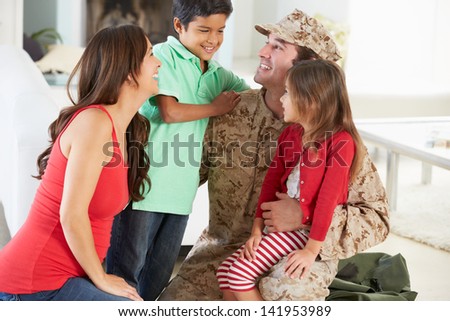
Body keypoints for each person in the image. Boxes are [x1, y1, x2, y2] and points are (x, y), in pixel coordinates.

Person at [158, 9, 389, 301]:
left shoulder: (332, 135)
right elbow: (181, 175)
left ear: (309, 67)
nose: (262, 51)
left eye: (278, 46)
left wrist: (304, 215)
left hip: (296, 258)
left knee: (284, 296)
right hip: (222, 253)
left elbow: (376, 218)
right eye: (267, 42)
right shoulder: (228, 110)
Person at [0, 24, 161, 301]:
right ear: (127, 69)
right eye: (149, 54)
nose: (158, 61)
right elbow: (71, 215)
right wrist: (101, 278)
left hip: (66, 277)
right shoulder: (94, 123)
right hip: (31, 282)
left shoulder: (124, 128)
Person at [106, 0, 250, 301]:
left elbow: (253, 97)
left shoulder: (216, 73)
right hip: (143, 186)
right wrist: (215, 107)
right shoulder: (162, 57)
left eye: (220, 30)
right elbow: (169, 111)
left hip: (181, 193)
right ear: (178, 26)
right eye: (203, 30)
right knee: (124, 275)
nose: (213, 39)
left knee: (158, 279)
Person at [217, 59, 365, 300]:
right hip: (277, 228)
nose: (282, 99)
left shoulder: (341, 142)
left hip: (306, 233)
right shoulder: (291, 134)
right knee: (225, 272)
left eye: (288, 93)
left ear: (310, 100)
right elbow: (271, 182)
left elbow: (327, 202)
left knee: (238, 275)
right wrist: (256, 230)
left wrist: (310, 251)